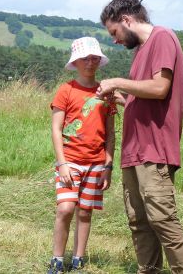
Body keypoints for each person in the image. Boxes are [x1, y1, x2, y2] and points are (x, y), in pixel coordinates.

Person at [96, 0, 183, 274]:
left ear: (126, 20)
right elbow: (146, 99)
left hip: (154, 150)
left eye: (114, 32)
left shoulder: (162, 37)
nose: (114, 40)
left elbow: (160, 87)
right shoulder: (141, 51)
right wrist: (122, 99)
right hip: (135, 151)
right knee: (139, 222)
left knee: (163, 219)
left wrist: (118, 81)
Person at [48, 37, 117, 273]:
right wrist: (62, 163)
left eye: (95, 58)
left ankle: (78, 259)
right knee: (65, 208)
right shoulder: (66, 90)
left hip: (96, 163)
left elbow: (110, 133)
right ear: (75, 62)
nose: (90, 62)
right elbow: (56, 129)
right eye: (85, 58)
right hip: (70, 160)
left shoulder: (106, 93)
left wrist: (108, 166)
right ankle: (57, 259)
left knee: (85, 212)